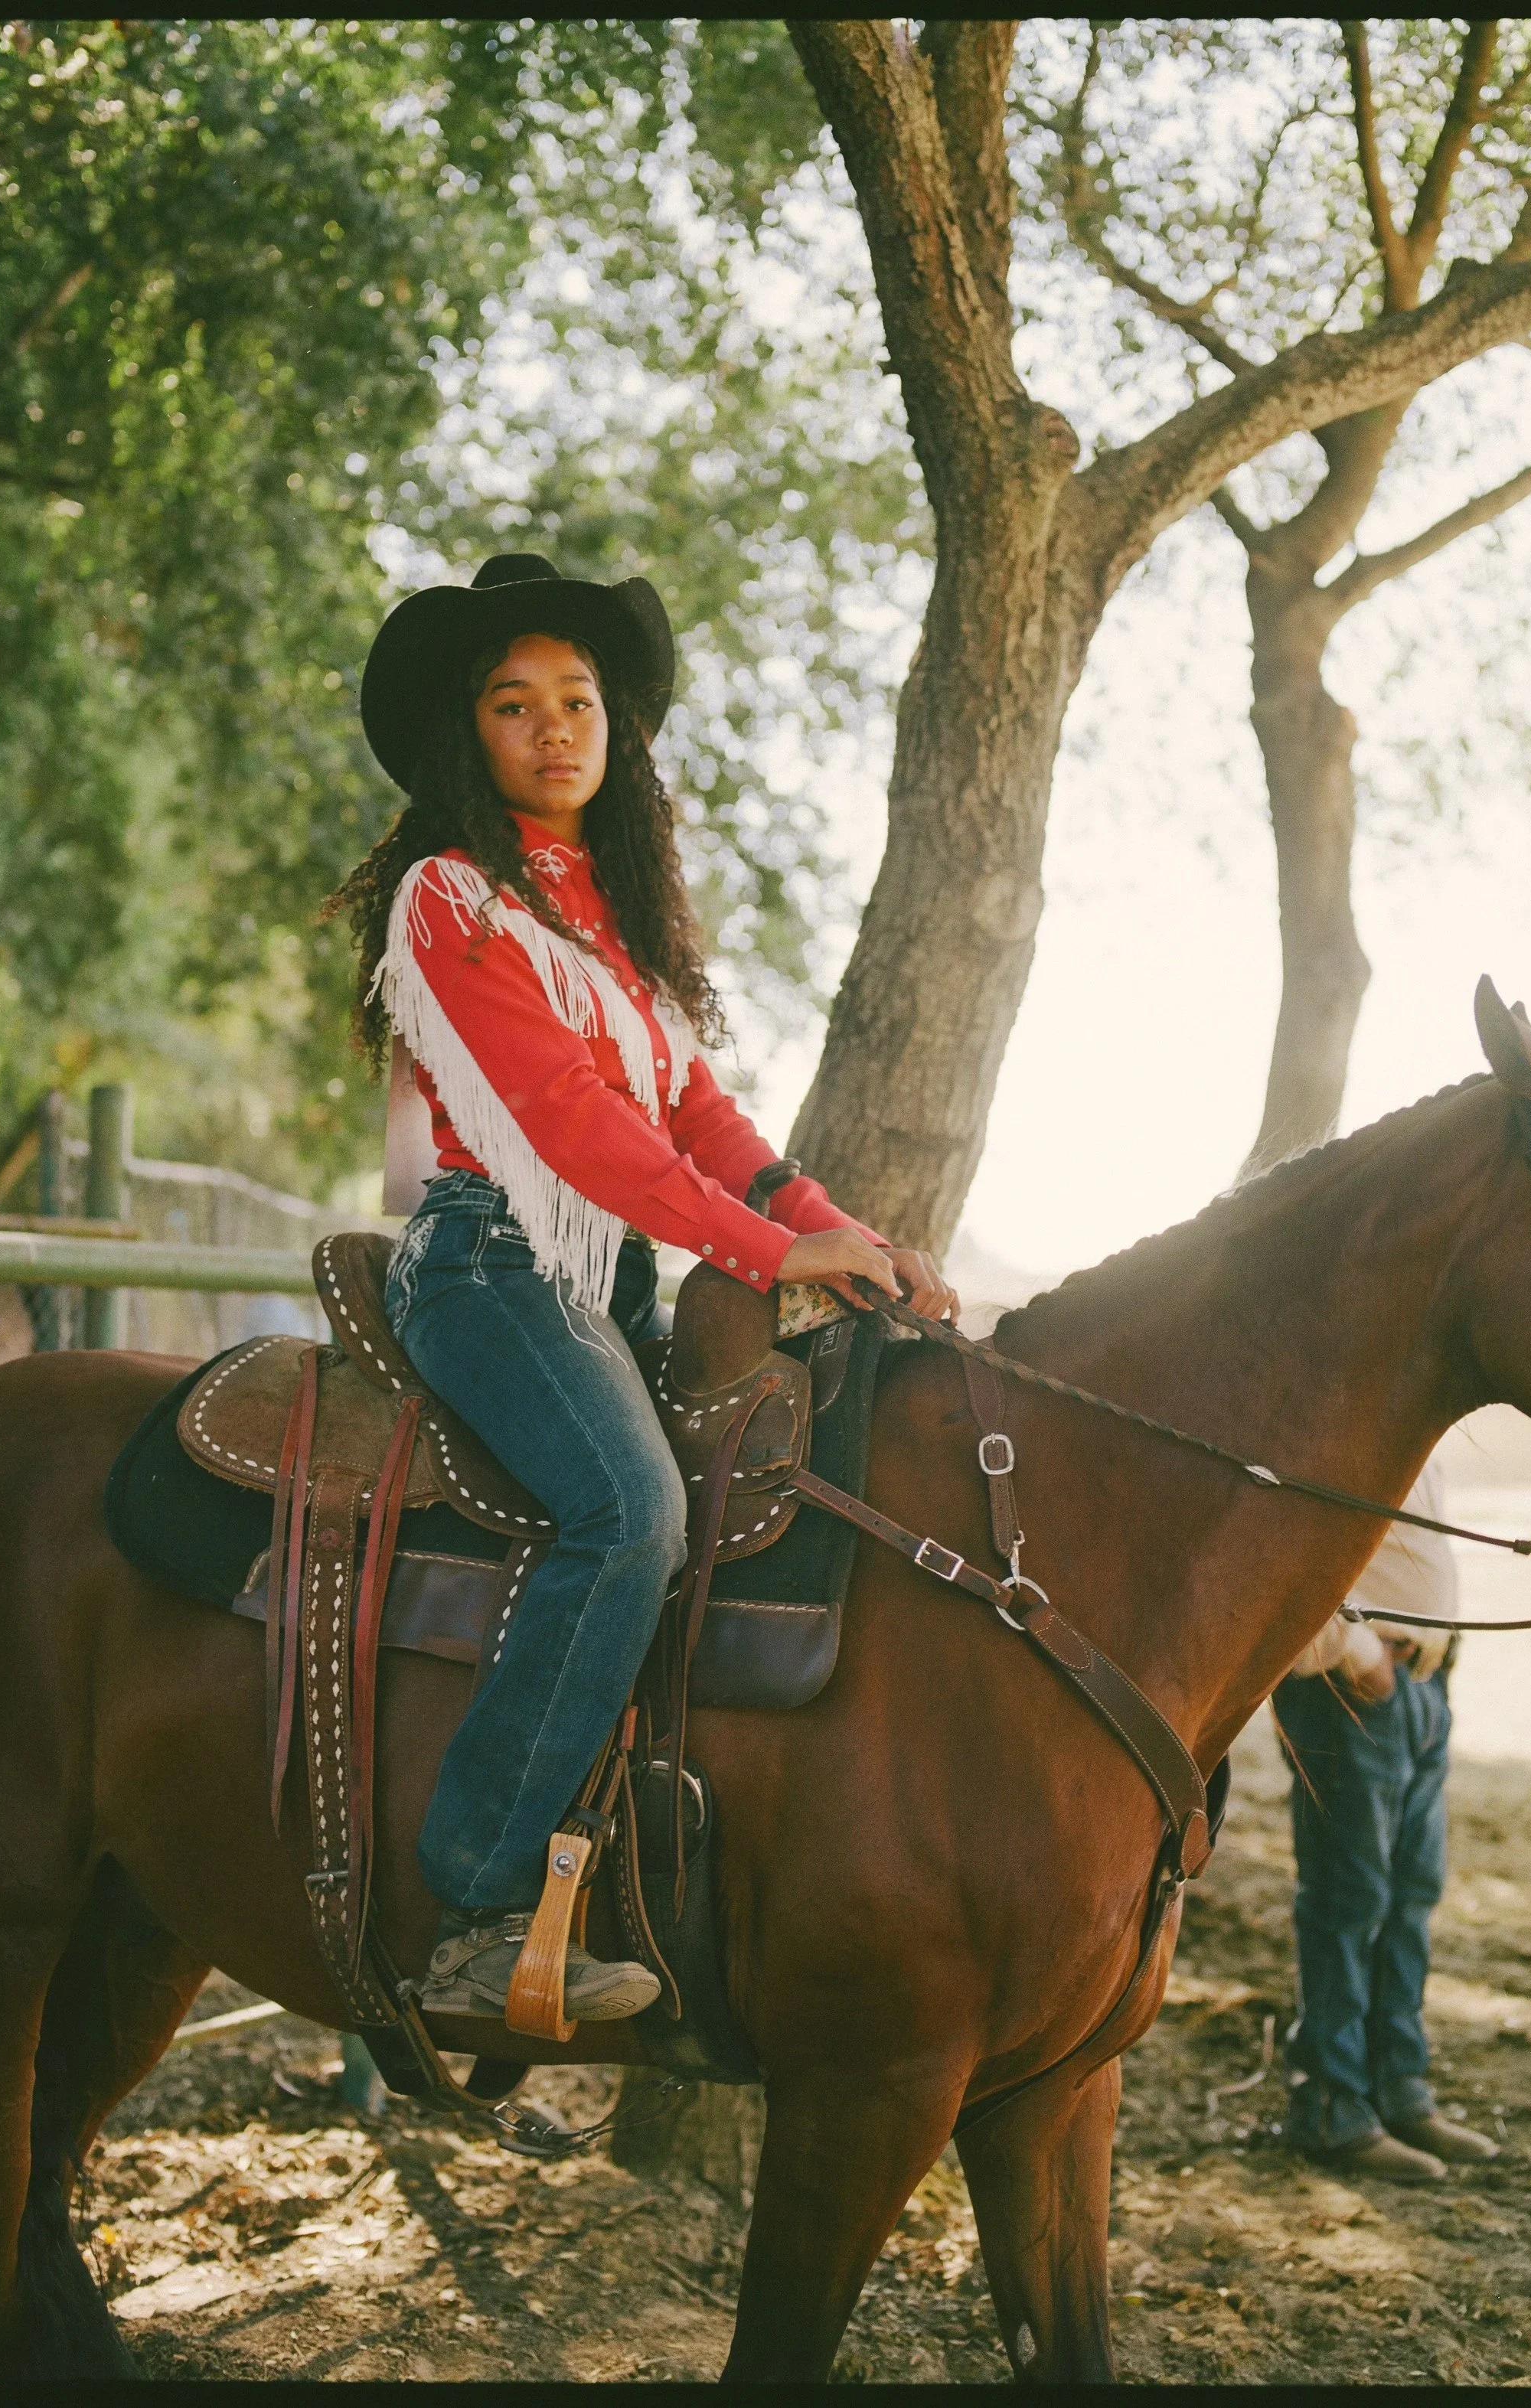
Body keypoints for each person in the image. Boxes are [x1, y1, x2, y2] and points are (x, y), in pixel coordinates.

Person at [328, 554, 956, 2020]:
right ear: (465, 735)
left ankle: (663, 1874)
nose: (555, 726)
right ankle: (476, 1915)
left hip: (602, 1273)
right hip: (490, 1259)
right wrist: (763, 1253)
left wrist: (845, 1232)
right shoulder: (450, 898)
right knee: (633, 1513)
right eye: (513, 703)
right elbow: (570, 1126)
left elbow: (709, 1131)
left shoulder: (614, 927)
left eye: (578, 699)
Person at [1273, 1458, 1500, 2182]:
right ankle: (1332, 2106)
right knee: (1351, 1899)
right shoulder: (1334, 1389)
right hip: (1355, 1690)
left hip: (1423, 1689)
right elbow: (1285, 1545)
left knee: (1409, 1898)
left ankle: (1397, 2086)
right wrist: (1353, 1647)